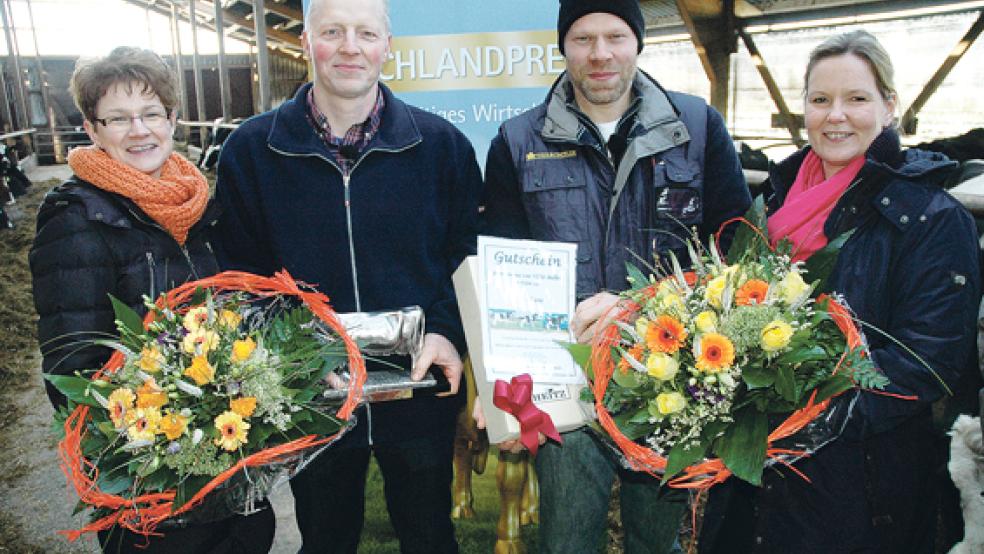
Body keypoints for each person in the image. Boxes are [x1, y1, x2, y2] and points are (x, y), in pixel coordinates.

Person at [479, 0, 751, 552]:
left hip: (667, 383)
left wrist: (639, 310)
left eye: (615, 36)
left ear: (638, 43)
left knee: (657, 543)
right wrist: (508, 399)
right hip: (564, 385)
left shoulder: (696, 127)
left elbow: (737, 253)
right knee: (565, 541)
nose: (600, 54)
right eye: (582, 39)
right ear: (562, 47)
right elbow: (501, 279)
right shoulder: (516, 141)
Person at [211, 0, 482, 552]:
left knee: (430, 532)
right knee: (326, 535)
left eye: (365, 33)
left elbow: (467, 253)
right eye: (332, 31)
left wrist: (448, 331)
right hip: (315, 393)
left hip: (421, 388)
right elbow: (238, 276)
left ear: (387, 45)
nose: (350, 47)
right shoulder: (251, 151)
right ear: (307, 42)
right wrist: (297, 356)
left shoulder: (441, 146)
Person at [699, 30, 981, 554]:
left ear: (889, 106)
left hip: (864, 491)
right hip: (753, 482)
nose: (836, 116)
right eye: (820, 100)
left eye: (857, 99)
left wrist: (807, 416)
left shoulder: (931, 219)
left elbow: (930, 360)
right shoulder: (770, 207)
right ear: (803, 109)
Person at [29, 47, 275, 553]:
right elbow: (75, 370)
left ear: (172, 119)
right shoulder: (77, 221)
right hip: (154, 492)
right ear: (92, 129)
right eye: (118, 119)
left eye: (150, 114)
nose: (139, 130)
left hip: (227, 469)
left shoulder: (199, 206)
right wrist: (164, 443)